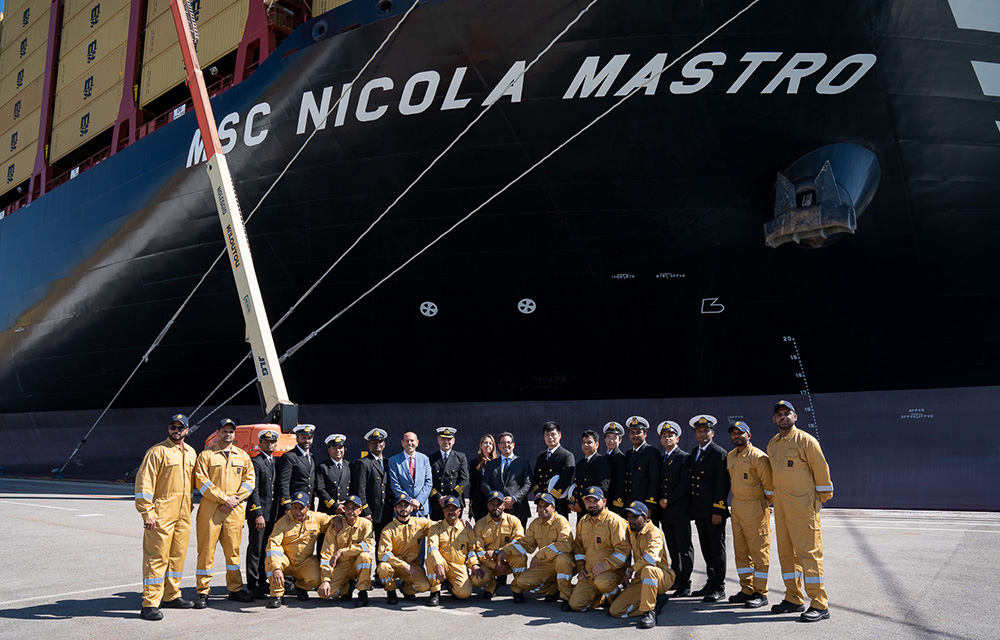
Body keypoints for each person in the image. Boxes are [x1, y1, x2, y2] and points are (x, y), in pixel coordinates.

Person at [767, 400, 833, 622]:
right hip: (782, 509)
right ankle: (793, 597)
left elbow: (822, 473)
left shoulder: (806, 441)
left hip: (803, 509)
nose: (783, 417)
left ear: (795, 416)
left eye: (787, 413)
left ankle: (819, 603)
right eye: (779, 414)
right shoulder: (773, 444)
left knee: (809, 555)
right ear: (774, 419)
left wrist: (815, 503)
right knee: (787, 555)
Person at [135, 413, 197, 621]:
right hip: (161, 514)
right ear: (168, 429)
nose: (176, 431)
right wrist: (147, 512)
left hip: (183, 514)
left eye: (181, 428)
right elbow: (145, 484)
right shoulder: (157, 452)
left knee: (177, 556)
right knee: (156, 558)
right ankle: (150, 603)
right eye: (173, 427)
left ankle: (171, 595)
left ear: (187, 430)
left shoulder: (191, 453)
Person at [192, 418, 256, 608]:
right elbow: (201, 482)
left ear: (234, 434)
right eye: (224, 431)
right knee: (205, 552)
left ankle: (235, 589)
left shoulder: (243, 456)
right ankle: (203, 592)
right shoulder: (206, 456)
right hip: (211, 510)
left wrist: (234, 500)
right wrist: (223, 499)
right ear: (217, 433)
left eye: (231, 432)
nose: (228, 434)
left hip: (234, 510)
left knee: (233, 552)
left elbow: (249, 481)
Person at [726, 420, 773, 609]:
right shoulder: (731, 456)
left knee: (759, 553)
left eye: (741, 433)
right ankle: (746, 588)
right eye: (734, 434)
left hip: (755, 509)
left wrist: (763, 505)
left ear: (749, 435)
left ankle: (760, 592)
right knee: (741, 551)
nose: (737, 436)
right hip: (737, 508)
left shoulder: (759, 457)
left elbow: (770, 487)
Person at [608, 501, 676, 629]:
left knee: (648, 569)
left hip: (661, 576)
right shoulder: (632, 530)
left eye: (635, 517)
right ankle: (655, 601)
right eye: (629, 517)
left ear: (645, 518)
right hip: (641, 577)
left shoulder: (654, 533)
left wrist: (630, 570)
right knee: (616, 611)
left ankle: (649, 612)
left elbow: (650, 559)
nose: (631, 520)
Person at [498, 493, 574, 604]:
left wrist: (540, 554)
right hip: (545, 564)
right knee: (522, 582)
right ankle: (553, 589)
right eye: (540, 506)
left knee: (563, 560)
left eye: (546, 506)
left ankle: (566, 596)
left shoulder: (561, 521)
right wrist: (506, 550)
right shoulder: (535, 524)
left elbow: (565, 545)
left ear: (553, 507)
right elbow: (526, 544)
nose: (542, 509)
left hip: (562, 562)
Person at [564, 486, 630, 612]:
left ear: (604, 502)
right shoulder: (583, 522)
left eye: (595, 501)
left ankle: (617, 598)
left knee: (603, 582)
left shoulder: (615, 521)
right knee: (576, 605)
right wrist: (581, 568)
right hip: (590, 573)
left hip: (612, 571)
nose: (591, 505)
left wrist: (605, 566)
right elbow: (579, 549)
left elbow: (623, 551)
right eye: (588, 501)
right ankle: (601, 598)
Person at [264, 491, 333, 608]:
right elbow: (273, 544)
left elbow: (332, 520)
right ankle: (277, 595)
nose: (297, 511)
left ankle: (300, 587)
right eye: (295, 508)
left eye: (301, 508)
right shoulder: (282, 522)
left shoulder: (316, 518)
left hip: (304, 562)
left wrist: (337, 520)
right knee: (270, 563)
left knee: (316, 580)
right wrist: (276, 568)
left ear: (308, 507)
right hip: (286, 561)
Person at [688, 414, 730, 603]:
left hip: (713, 512)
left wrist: (718, 510)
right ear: (695, 434)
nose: (702, 434)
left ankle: (719, 587)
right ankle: (711, 582)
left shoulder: (718, 453)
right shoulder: (695, 452)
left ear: (712, 432)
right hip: (700, 511)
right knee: (706, 548)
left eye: (706, 431)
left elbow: (723, 485)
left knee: (716, 549)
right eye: (699, 431)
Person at [656, 420, 693, 597]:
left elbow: (684, 483)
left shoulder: (683, 457)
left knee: (684, 548)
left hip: (679, 510)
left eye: (670, 435)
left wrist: (667, 499)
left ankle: (686, 582)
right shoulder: (662, 459)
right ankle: (676, 578)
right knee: (672, 548)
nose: (667, 438)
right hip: (666, 513)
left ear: (677, 438)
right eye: (664, 436)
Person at [376, 493, 435, 604]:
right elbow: (383, 554)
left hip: (412, 566)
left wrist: (457, 522)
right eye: (400, 506)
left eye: (406, 505)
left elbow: (438, 526)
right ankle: (391, 591)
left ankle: (407, 589)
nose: (403, 508)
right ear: (395, 509)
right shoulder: (388, 529)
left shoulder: (420, 523)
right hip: (394, 565)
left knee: (424, 586)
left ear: (411, 508)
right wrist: (403, 565)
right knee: (383, 568)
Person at [318, 495, 375, 607]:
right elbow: (326, 554)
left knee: (365, 557)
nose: (350, 511)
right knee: (327, 594)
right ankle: (347, 588)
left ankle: (363, 592)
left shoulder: (366, 524)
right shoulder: (336, 525)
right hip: (342, 566)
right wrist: (325, 580)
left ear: (360, 510)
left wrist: (342, 551)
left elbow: (367, 546)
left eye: (354, 508)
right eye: (347, 508)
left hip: (356, 563)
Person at [471, 491, 526, 599]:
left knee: (521, 558)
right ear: (487, 505)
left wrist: (499, 552)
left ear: (504, 505)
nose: (495, 507)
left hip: (508, 559)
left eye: (498, 504)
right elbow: (479, 550)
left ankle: (517, 590)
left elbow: (519, 541)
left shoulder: (514, 521)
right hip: (489, 561)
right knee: (477, 580)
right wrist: (495, 565)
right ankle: (492, 586)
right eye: (492, 504)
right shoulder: (480, 524)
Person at [425, 495, 479, 605]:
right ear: (443, 511)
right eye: (448, 509)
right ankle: (435, 592)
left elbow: (472, 550)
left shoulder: (466, 529)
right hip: (442, 563)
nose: (451, 512)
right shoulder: (436, 528)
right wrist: (439, 565)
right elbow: (432, 547)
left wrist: (474, 565)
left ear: (459, 511)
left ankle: (451, 586)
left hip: (458, 565)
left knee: (464, 593)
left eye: (454, 509)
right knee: (431, 557)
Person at [246, 429, 281, 598]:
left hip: (272, 514)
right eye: (266, 442)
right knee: (255, 549)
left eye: (272, 442)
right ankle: (253, 584)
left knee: (266, 549)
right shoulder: (256, 462)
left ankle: (262, 582)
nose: (269, 444)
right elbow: (253, 491)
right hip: (259, 514)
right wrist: (257, 513)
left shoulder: (276, 462)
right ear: (260, 444)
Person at [481, 431, 533, 528]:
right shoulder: (491, 464)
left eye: (509, 442)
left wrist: (514, 499)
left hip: (518, 509)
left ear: (513, 445)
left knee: (517, 541)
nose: (506, 445)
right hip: (496, 510)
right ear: (499, 446)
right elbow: (485, 483)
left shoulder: (523, 462)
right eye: (503, 443)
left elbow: (528, 484)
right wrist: (497, 499)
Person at [353, 428, 393, 550]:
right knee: (365, 547)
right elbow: (360, 489)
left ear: (384, 444)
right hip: (370, 513)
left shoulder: (388, 462)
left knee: (383, 545)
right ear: (368, 444)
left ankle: (380, 569)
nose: (378, 445)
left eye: (380, 442)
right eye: (374, 442)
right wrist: (366, 510)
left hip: (386, 512)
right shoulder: (363, 463)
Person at [531, 421, 576, 518]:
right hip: (542, 504)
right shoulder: (541, 456)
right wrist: (538, 493)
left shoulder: (567, 455)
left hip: (558, 503)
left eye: (553, 434)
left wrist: (549, 498)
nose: (550, 437)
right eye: (547, 435)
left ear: (559, 435)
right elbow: (535, 478)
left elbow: (565, 480)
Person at [428, 426, 469, 521]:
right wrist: (439, 498)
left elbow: (465, 479)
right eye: (443, 439)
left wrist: (451, 496)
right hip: (437, 504)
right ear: (438, 440)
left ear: (454, 440)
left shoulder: (460, 457)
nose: (446, 442)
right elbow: (428, 481)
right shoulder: (431, 459)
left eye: (449, 439)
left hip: (455, 503)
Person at [388, 431, 433, 517]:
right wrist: (409, 501)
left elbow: (428, 482)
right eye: (407, 441)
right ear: (402, 443)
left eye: (412, 440)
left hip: (421, 508)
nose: (409, 443)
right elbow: (395, 485)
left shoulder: (424, 459)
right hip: (403, 508)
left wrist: (419, 501)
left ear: (417, 442)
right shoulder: (394, 461)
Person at [623, 416, 660, 518]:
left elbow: (654, 480)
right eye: (632, 432)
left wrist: (650, 505)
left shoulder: (652, 452)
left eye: (638, 432)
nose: (635, 435)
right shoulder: (629, 453)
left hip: (645, 504)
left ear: (645, 434)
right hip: (630, 503)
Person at [569, 430, 611, 513]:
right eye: (584, 442)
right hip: (580, 509)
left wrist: (581, 503)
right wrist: (571, 501)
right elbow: (576, 485)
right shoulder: (580, 463)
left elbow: (602, 487)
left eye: (589, 442)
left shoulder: (602, 462)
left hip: (593, 508)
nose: (585, 445)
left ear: (597, 444)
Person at [278, 424, 316, 512]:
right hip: (295, 506)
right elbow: (284, 483)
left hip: (308, 505)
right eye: (303, 438)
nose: (306, 441)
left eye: (309, 438)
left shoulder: (311, 457)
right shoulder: (289, 457)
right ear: (297, 438)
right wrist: (287, 505)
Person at [316, 434, 352, 516]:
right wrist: (334, 506)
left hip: (345, 510)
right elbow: (320, 490)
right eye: (334, 448)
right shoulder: (323, 467)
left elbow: (353, 488)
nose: (338, 450)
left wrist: (347, 504)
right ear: (329, 450)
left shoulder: (349, 466)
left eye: (340, 447)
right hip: (327, 511)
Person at [469, 434, 497, 521]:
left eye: (490, 443)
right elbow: (473, 485)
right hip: (479, 502)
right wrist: (471, 504)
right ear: (481, 445)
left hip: (494, 500)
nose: (487, 445)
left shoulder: (497, 462)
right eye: (485, 443)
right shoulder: (473, 464)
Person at [603, 422, 627, 514]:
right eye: (608, 437)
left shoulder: (621, 459)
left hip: (615, 504)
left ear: (620, 440)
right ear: (605, 439)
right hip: (604, 502)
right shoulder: (603, 458)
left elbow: (621, 484)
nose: (611, 441)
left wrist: (618, 506)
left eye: (614, 438)